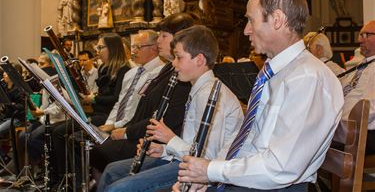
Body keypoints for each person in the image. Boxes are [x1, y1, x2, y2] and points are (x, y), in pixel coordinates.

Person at [172, 0, 344, 192]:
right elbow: (246, 140)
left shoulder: (307, 78)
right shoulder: (272, 71)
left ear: (277, 19)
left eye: (251, 21)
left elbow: (280, 168)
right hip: (250, 180)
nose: (245, 30)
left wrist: (212, 171)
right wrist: (208, 175)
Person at [97, 25, 244, 192]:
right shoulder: (198, 88)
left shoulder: (208, 94)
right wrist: (164, 150)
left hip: (202, 173)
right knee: (111, 172)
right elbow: (192, 143)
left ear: (200, 60)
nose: (173, 64)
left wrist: (170, 139)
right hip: (185, 161)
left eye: (178, 57)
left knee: (118, 188)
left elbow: (205, 158)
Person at [89, 13, 193, 179]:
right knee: (97, 149)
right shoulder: (167, 69)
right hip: (143, 134)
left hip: (155, 142)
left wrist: (127, 132)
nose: (158, 41)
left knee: (101, 155)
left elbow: (165, 118)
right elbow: (140, 105)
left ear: (182, 38)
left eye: (163, 36)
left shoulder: (182, 74)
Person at [52, 32, 130, 182]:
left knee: (61, 133)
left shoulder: (123, 70)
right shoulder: (104, 69)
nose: (97, 51)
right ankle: (66, 177)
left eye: (100, 47)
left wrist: (93, 99)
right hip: (97, 113)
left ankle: (75, 180)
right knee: (57, 131)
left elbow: (117, 99)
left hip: (108, 117)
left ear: (112, 49)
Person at [340, 20, 375, 155]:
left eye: (366, 35)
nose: (359, 39)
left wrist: (346, 126)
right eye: (360, 35)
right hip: (347, 129)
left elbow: (371, 107)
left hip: (365, 132)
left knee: (314, 143)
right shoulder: (361, 65)